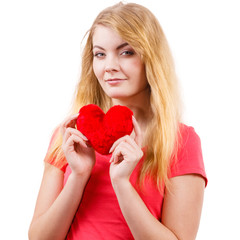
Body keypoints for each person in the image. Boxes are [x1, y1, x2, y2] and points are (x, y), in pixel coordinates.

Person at [28, 2, 207, 240]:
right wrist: (79, 177)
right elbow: (40, 238)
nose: (110, 66)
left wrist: (122, 183)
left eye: (126, 52)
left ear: (151, 59)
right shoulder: (69, 136)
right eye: (100, 54)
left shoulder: (181, 142)